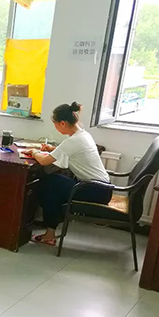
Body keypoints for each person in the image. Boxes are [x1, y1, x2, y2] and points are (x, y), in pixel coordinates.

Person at [24, 102, 112, 245]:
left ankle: (48, 231)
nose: (55, 127)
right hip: (102, 188)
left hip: (95, 191)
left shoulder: (73, 141)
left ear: (63, 123)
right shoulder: (83, 135)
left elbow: (44, 161)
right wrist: (52, 149)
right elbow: (69, 150)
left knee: (48, 184)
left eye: (55, 124)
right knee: (53, 184)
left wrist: (34, 152)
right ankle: (50, 231)